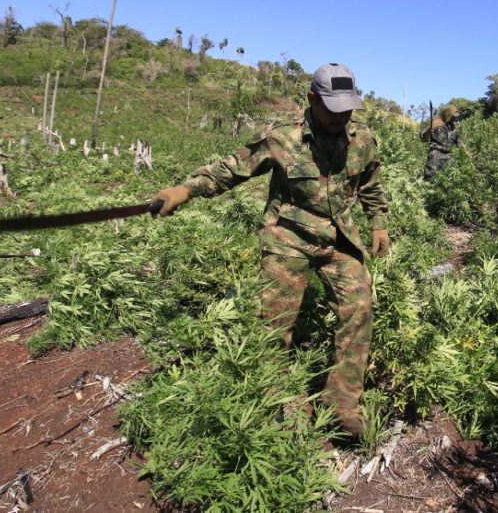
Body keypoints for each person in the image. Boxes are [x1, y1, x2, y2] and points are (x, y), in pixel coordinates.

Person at [152, 63, 389, 439]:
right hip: (288, 237)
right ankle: (272, 400)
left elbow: (371, 184)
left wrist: (379, 222)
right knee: (273, 323)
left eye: (348, 107)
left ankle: (340, 404)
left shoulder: (362, 138)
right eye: (334, 107)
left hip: (339, 238)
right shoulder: (282, 137)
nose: (343, 115)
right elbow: (230, 169)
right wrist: (183, 191)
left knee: (358, 308)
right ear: (312, 99)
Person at [422, 104, 460, 181]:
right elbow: (422, 137)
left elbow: (459, 142)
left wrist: (466, 153)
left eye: (455, 117)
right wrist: (428, 132)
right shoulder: (436, 124)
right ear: (447, 114)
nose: (454, 118)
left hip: (449, 157)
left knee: (447, 180)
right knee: (430, 178)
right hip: (435, 156)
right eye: (452, 116)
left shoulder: (453, 128)